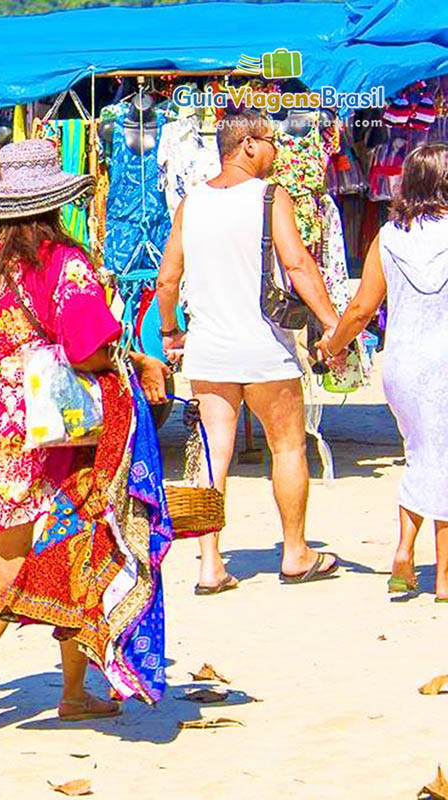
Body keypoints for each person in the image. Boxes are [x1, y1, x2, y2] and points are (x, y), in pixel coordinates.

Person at [0, 139, 173, 741]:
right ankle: (74, 693)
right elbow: (88, 348)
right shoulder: (67, 263)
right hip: (65, 439)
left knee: (3, 569)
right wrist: (131, 359)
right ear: (55, 202)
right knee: (79, 561)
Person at [156, 113, 342, 594]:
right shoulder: (269, 196)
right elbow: (297, 263)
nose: (278, 151)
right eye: (272, 142)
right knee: (286, 447)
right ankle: (296, 553)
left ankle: (210, 564)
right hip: (263, 349)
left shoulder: (192, 201)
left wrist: (171, 330)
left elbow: (167, 278)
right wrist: (331, 322)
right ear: (248, 146)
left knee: (212, 454)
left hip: (210, 348)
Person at [319, 143, 448, 601]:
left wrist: (332, 346)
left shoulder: (388, 238)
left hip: (404, 365)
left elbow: (360, 309)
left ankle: (404, 553)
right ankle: (444, 577)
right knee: (443, 460)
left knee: (421, 455)